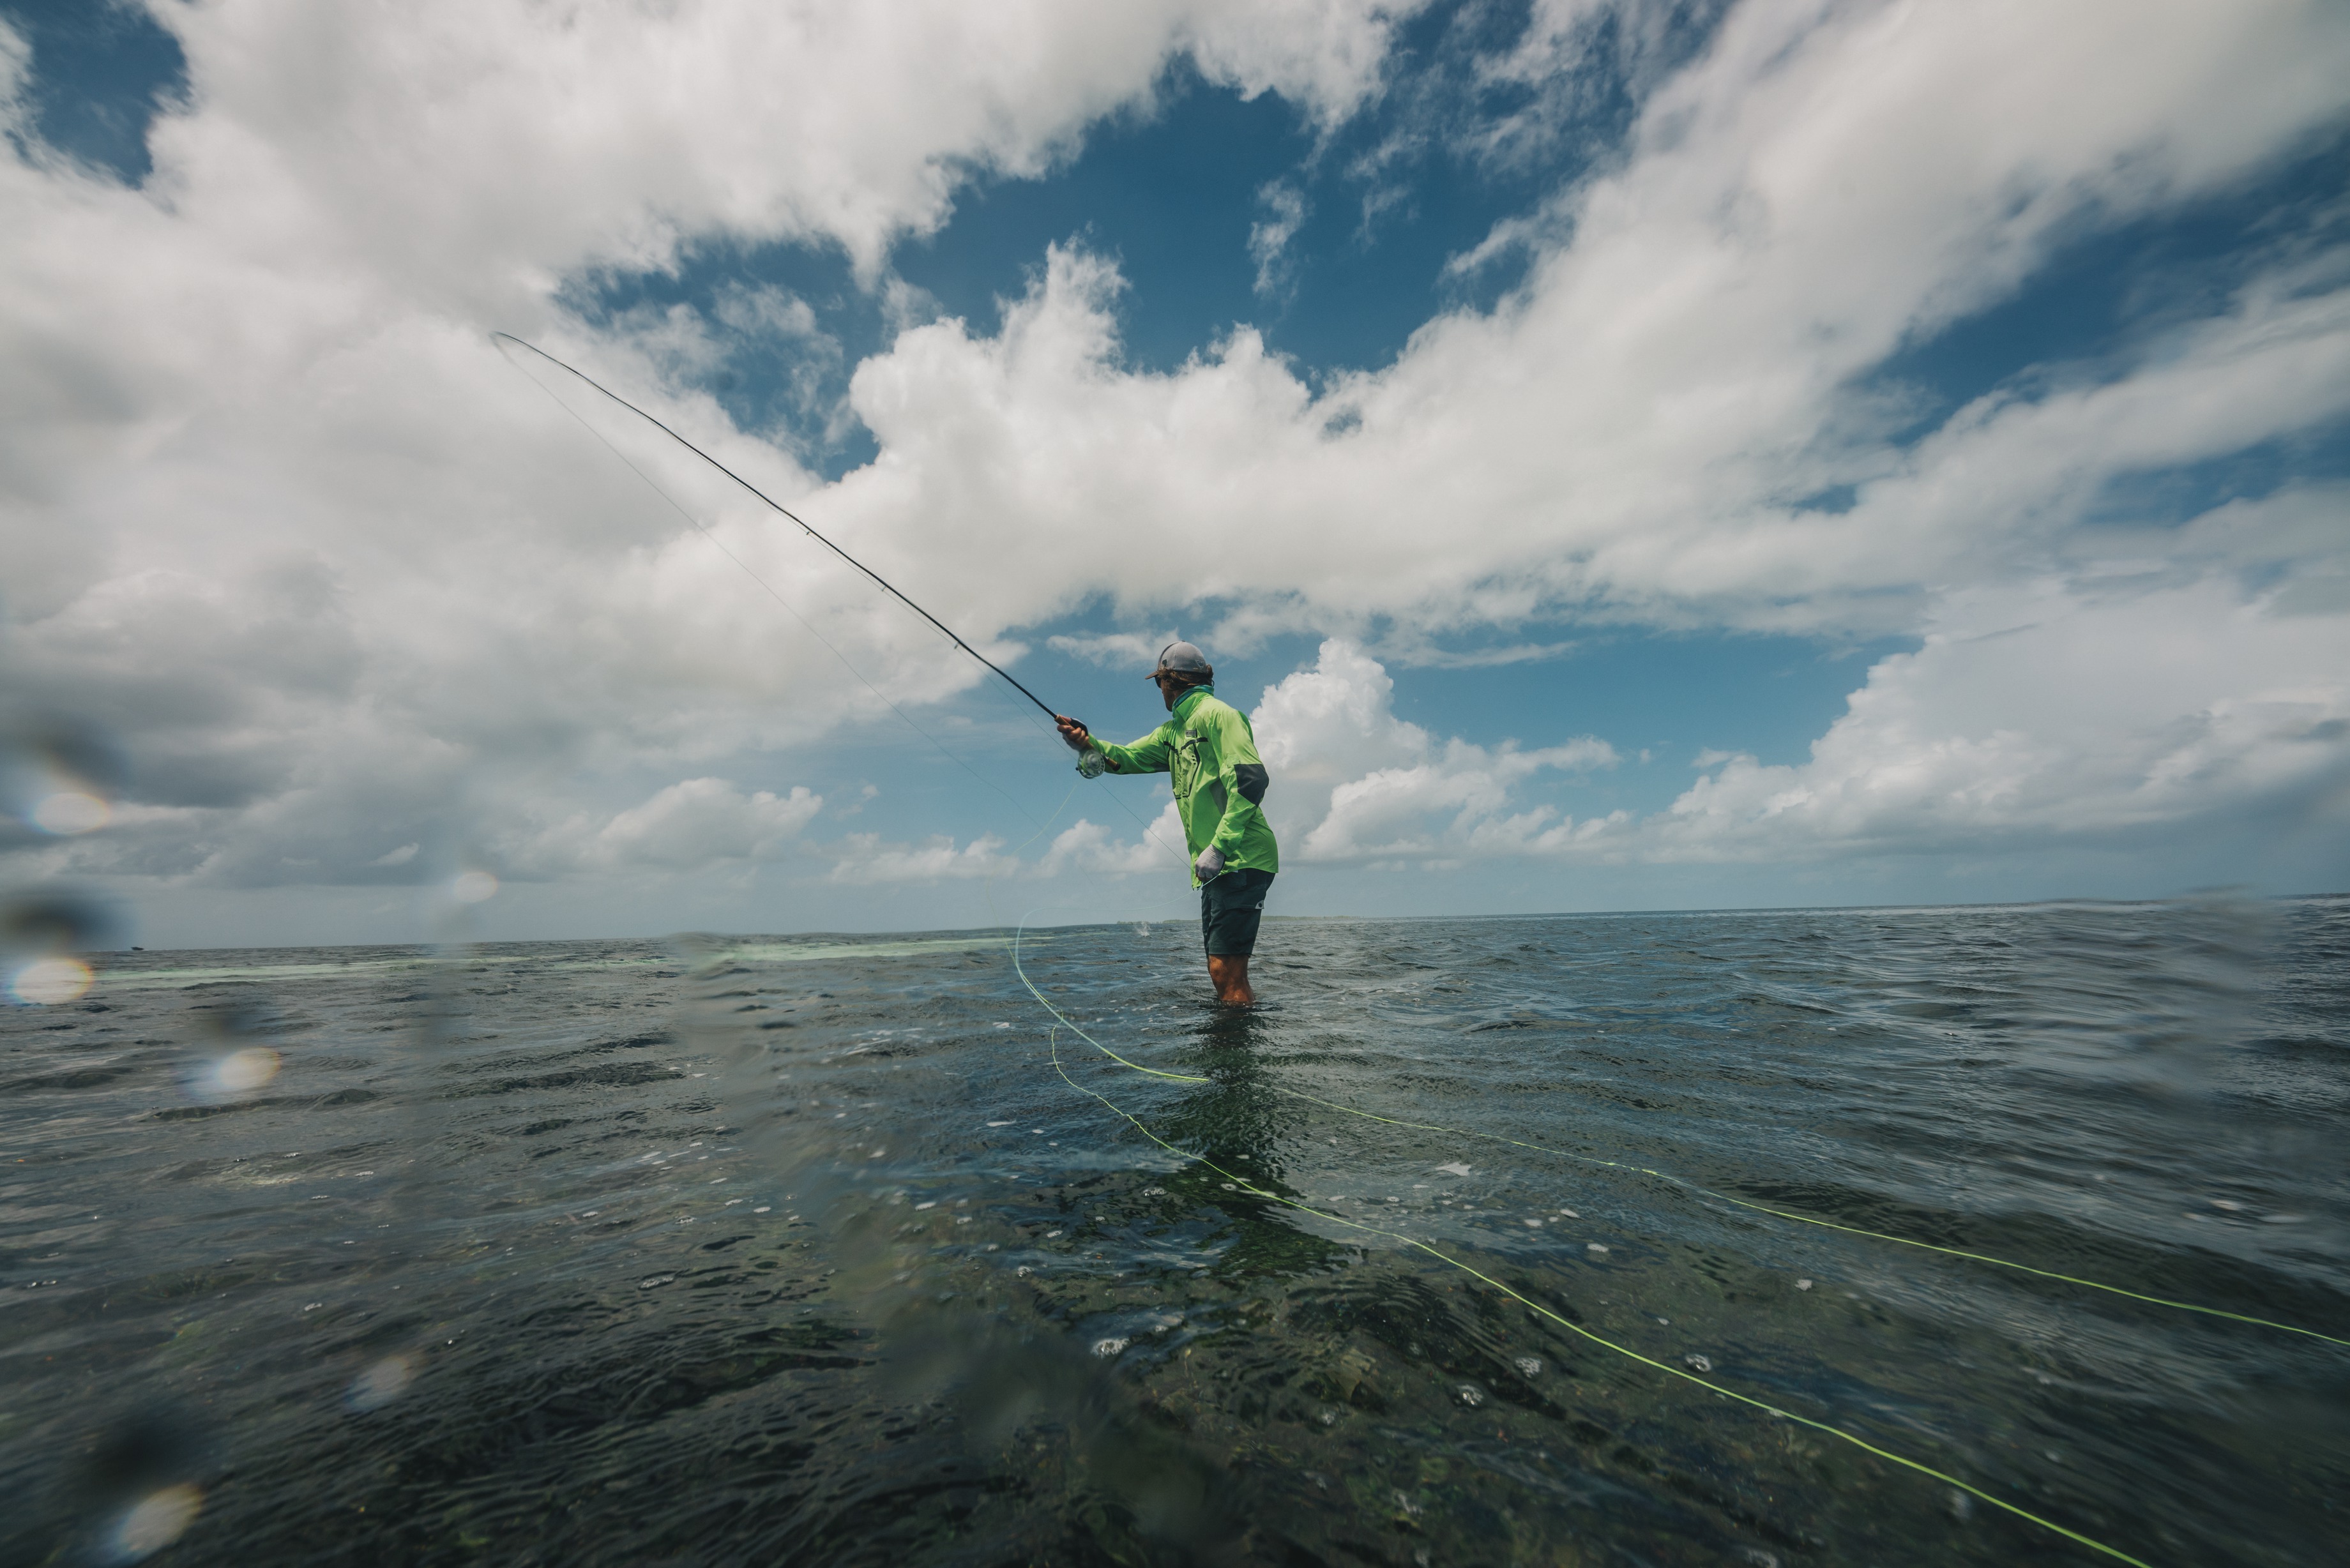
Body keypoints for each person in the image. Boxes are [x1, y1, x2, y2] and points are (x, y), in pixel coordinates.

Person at [1055, 642, 1277, 1004]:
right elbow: (1123, 759)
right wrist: (1085, 742)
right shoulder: (1171, 733)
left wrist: (1220, 847)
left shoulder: (1219, 716)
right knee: (1220, 970)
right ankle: (1230, 1048)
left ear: (1167, 681)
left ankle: (1236, 1056)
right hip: (1220, 866)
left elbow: (1252, 780)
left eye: (1159, 683)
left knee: (1226, 971)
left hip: (1241, 857)